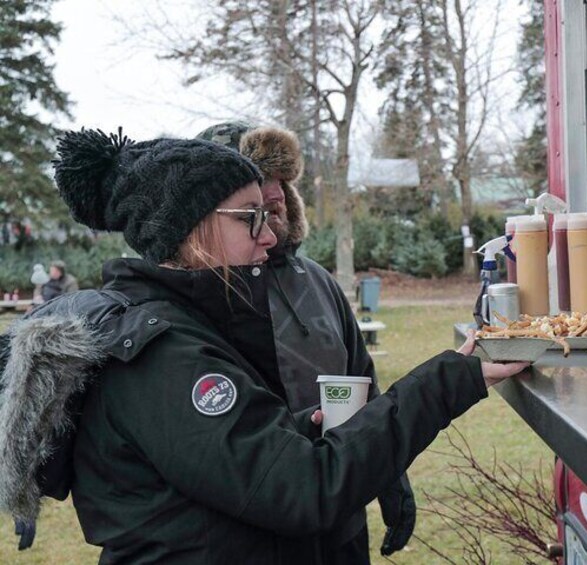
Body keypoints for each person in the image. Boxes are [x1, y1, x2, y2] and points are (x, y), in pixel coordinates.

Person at [0, 128, 527, 563]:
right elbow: (304, 490)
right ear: (190, 228)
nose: (270, 234)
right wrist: (447, 382)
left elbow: (214, 467)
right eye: (250, 216)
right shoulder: (162, 355)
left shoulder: (193, 325)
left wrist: (296, 432)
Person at [197, 121, 412, 561]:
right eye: (258, 181)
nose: (274, 194)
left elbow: (362, 380)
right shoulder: (197, 294)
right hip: (251, 536)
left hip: (342, 520)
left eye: (279, 181)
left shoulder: (316, 281)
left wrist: (391, 474)